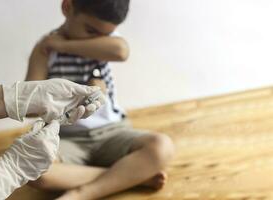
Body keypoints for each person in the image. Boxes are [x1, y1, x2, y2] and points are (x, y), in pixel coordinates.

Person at [26, 0, 175, 199]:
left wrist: (65, 45)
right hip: (66, 139)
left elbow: (121, 51)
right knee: (35, 169)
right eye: (90, 30)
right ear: (67, 8)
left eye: (106, 34)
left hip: (113, 132)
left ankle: (82, 193)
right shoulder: (45, 50)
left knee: (162, 146)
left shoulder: (105, 40)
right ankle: (130, 176)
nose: (99, 38)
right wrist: (75, 99)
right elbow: (29, 107)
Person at [0, 78, 105, 200]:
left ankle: (116, 176)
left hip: (116, 129)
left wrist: (20, 96)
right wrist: (10, 170)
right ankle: (118, 176)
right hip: (72, 140)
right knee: (45, 173)